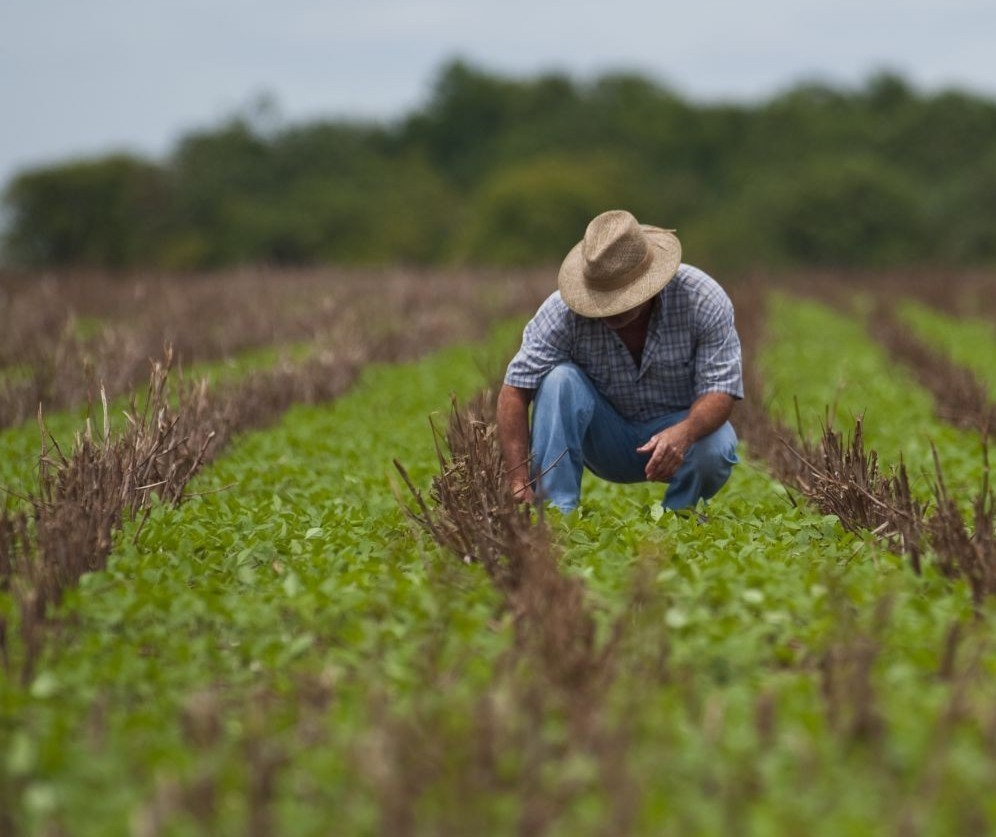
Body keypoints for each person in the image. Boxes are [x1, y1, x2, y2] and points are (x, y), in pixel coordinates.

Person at [497, 209, 743, 513]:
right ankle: (555, 513)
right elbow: (514, 389)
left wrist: (685, 432)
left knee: (717, 444)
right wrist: (518, 481)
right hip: (604, 439)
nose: (611, 309)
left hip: (676, 431)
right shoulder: (561, 313)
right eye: (603, 296)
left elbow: (721, 389)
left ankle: (680, 516)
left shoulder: (702, 299)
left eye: (622, 295)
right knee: (559, 380)